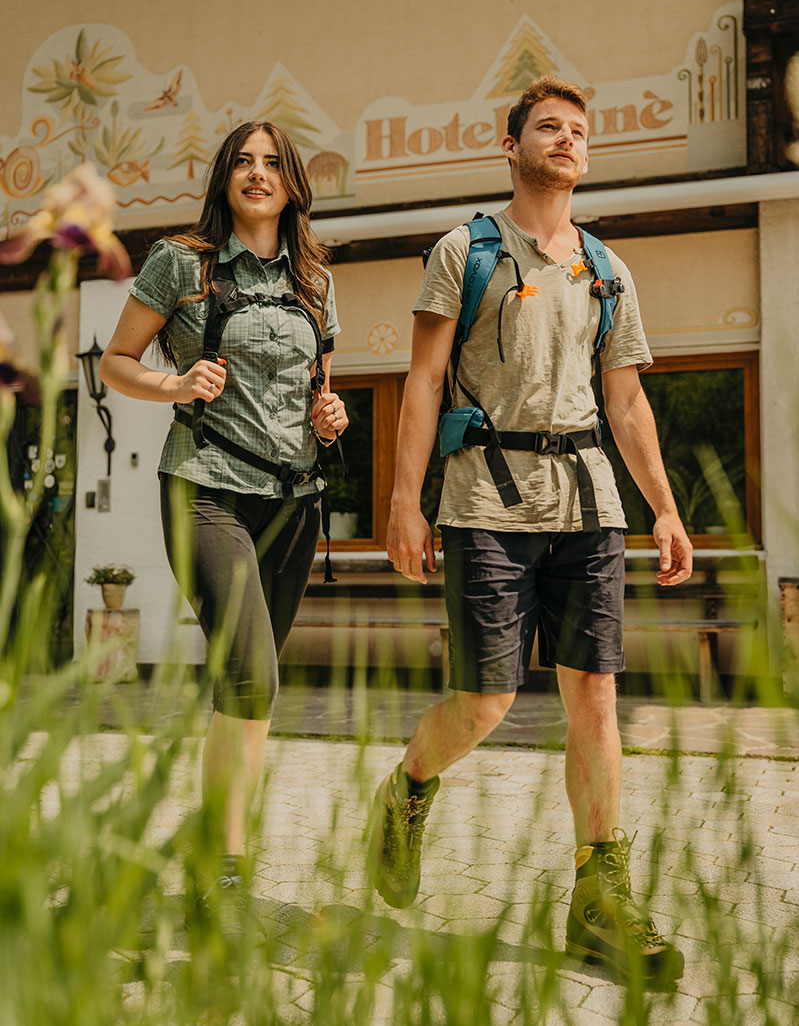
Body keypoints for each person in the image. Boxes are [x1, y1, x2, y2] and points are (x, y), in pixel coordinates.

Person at [369, 76, 692, 983]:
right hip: (485, 501)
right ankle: (406, 791)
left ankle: (599, 899)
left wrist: (663, 506)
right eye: (546, 127)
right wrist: (403, 499)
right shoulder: (461, 250)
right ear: (508, 147)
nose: (565, 140)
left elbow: (625, 400)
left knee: (594, 696)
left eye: (577, 131)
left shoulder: (606, 268)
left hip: (589, 504)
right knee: (488, 699)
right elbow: (424, 380)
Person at [100, 120, 348, 923]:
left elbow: (318, 385)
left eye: (272, 162)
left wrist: (330, 412)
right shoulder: (184, 263)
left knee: (245, 693)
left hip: (294, 499)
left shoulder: (313, 276)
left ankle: (215, 850)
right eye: (242, 161)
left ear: (292, 183)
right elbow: (115, 363)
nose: (257, 172)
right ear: (223, 178)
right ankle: (228, 875)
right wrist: (176, 386)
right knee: (251, 675)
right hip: (205, 487)